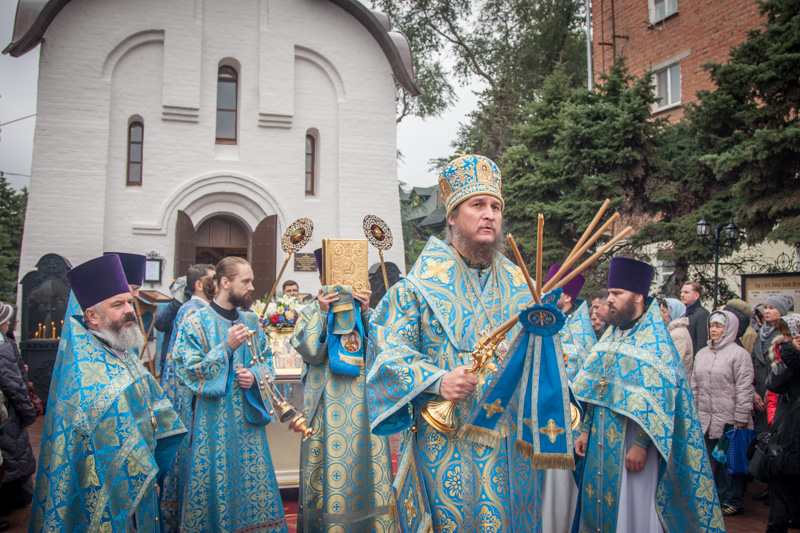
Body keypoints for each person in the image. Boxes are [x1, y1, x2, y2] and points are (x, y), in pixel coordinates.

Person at [367, 154, 539, 530]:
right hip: (444, 444)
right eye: (478, 205)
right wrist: (436, 380)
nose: (490, 214)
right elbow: (386, 357)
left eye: (495, 206)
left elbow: (553, 355)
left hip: (508, 447)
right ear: (452, 216)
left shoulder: (522, 288)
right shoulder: (414, 291)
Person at [30, 254, 187, 531]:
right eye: (118, 304)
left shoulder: (120, 352)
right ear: (91, 316)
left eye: (129, 301)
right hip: (109, 490)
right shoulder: (84, 372)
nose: (130, 309)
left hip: (142, 483)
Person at [573, 257, 724, 532]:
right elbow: (596, 389)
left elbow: (662, 403)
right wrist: (585, 429)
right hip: (600, 441)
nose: (609, 300)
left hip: (634, 443)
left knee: (633, 511)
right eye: (609, 293)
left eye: (617, 294)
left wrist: (642, 445)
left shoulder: (657, 345)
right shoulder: (611, 336)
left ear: (639, 297)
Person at [171, 256, 288, 532]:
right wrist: (225, 347)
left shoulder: (250, 321)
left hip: (248, 427)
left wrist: (255, 375)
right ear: (225, 282)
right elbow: (186, 369)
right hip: (213, 424)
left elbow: (266, 362)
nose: (251, 287)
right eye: (245, 281)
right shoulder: (196, 322)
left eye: (252, 281)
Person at [290, 251, 394, 531]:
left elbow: (382, 350)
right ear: (322, 278)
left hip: (363, 406)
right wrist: (323, 315)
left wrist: (365, 311)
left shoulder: (366, 311)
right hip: (326, 410)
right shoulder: (310, 310)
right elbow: (311, 351)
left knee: (365, 471)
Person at [157, 263, 215, 531]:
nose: (219, 282)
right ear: (199, 285)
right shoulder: (194, 311)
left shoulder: (195, 309)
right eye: (213, 279)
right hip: (191, 396)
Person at [691, 310, 754, 516]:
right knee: (712, 461)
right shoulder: (702, 353)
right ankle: (717, 497)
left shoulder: (739, 354)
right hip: (706, 418)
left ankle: (733, 500)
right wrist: (693, 411)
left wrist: (741, 418)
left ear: (730, 329)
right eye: (712, 325)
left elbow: (744, 388)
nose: (714, 330)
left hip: (730, 419)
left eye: (719, 326)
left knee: (731, 463)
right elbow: (694, 385)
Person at [763, 315, 800, 533]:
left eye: (790, 333)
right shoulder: (787, 357)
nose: (786, 338)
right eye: (785, 334)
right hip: (786, 440)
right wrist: (792, 356)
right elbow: (772, 384)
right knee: (778, 514)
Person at [0, 302, 36, 515]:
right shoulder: (3, 345)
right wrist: (28, 413)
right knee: (11, 458)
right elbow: (13, 385)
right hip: (8, 414)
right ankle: (10, 503)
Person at [545, 264, 594, 379]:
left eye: (552, 290)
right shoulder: (546, 318)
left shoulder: (580, 331)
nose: (546, 295)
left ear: (567, 298)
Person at [752, 295, 791, 432]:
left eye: (772, 308)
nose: (767, 311)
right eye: (766, 308)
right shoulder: (760, 334)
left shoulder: (785, 335)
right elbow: (752, 364)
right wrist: (753, 392)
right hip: (759, 395)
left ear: (782, 311)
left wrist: (772, 390)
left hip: (776, 394)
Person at [659, 298, 693, 376]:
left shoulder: (679, 334)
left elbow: (673, 364)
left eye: (664, 311)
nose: (661, 315)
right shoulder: (670, 331)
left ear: (673, 313)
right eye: (660, 311)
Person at [680, 281, 710, 355]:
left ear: (696, 296)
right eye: (682, 292)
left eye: (686, 292)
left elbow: (702, 343)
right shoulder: (682, 313)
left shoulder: (702, 314)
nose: (682, 295)